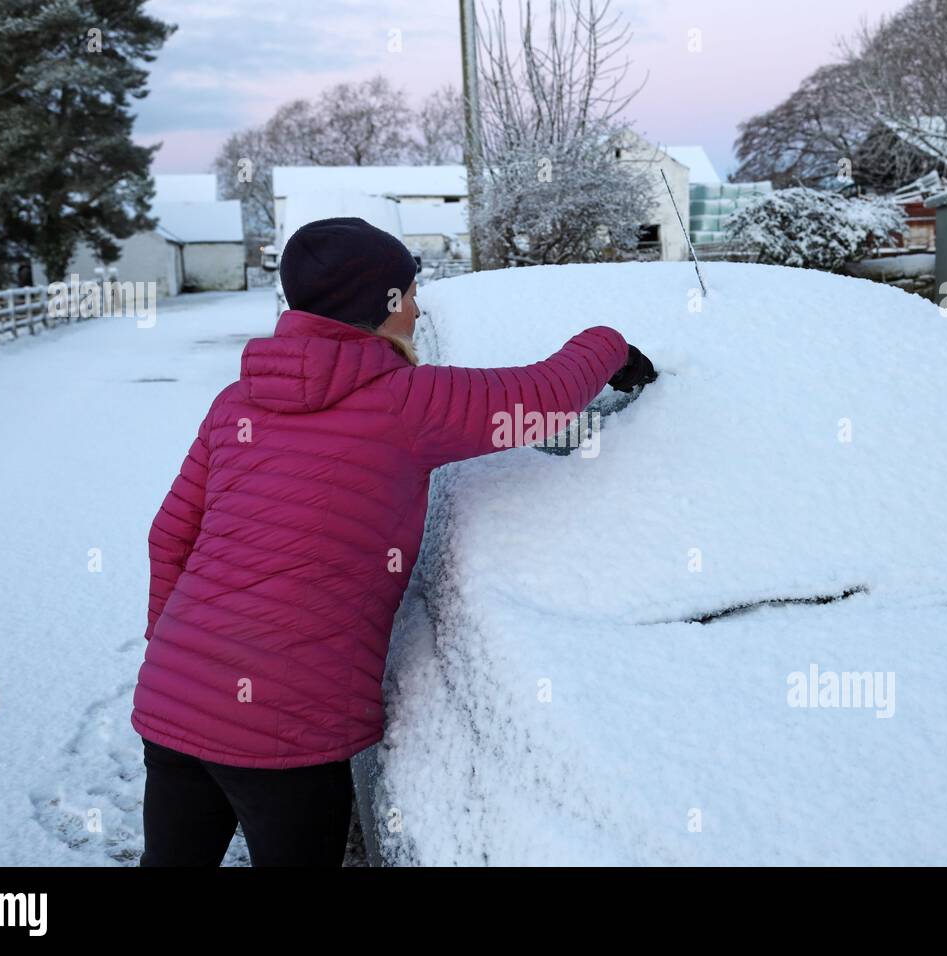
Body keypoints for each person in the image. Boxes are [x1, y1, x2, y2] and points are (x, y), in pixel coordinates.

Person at [131, 217, 657, 866]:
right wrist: (611, 343)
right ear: (375, 305)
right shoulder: (406, 403)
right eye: (408, 291)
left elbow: (168, 538)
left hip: (173, 700)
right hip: (285, 731)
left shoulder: (235, 403)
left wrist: (176, 657)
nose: (417, 306)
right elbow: (543, 397)